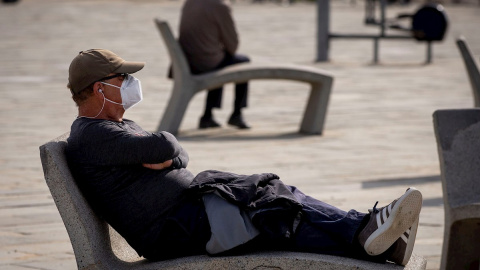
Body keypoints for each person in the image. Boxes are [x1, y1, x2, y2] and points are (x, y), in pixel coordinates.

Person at [65, 49, 423, 266]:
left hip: (190, 211)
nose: (130, 82)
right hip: (175, 228)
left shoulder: (116, 125)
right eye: (123, 77)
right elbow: (164, 146)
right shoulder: (94, 135)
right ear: (100, 88)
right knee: (273, 211)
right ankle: (368, 234)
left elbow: (176, 152)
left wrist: (169, 155)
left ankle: (370, 232)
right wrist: (167, 153)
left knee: (273, 191)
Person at [177, 0, 251, 129]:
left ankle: (208, 115)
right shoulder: (220, 5)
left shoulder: (190, 2)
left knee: (220, 60)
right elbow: (232, 45)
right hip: (207, 63)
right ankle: (237, 114)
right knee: (242, 61)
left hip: (189, 61)